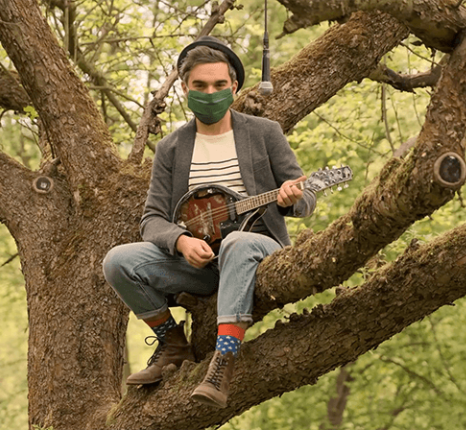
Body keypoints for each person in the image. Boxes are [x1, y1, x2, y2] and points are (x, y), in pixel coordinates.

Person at [102, 35, 316, 409]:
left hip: (257, 250)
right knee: (117, 261)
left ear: (234, 86)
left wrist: (292, 199)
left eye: (219, 84)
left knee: (236, 243)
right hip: (201, 265)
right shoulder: (171, 147)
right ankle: (173, 345)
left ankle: (223, 360)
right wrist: (181, 241)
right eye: (200, 85)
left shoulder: (264, 133)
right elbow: (152, 219)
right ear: (185, 89)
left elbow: (306, 195)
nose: (210, 93)